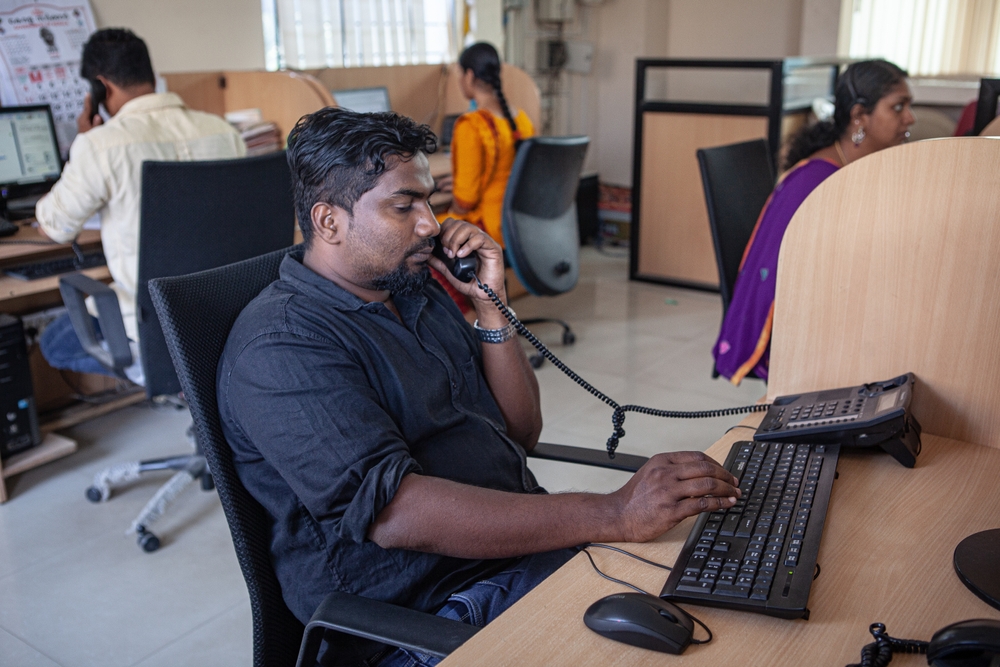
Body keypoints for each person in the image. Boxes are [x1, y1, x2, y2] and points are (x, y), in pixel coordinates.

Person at [217, 107, 741, 667]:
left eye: (429, 201)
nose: (430, 224)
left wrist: (492, 309)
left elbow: (520, 430)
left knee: (732, 610)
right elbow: (398, 515)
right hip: (425, 618)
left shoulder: (413, 288)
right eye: (404, 206)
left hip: (518, 557)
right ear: (328, 222)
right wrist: (613, 513)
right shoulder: (281, 347)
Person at [37, 28, 246, 379]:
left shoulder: (100, 146)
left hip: (152, 320)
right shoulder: (223, 131)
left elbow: (53, 228)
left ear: (100, 87)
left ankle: (167, 374)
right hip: (222, 309)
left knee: (54, 345)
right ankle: (192, 379)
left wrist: (84, 142)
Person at [713, 60, 914, 385]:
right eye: (898, 107)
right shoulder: (816, 181)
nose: (910, 117)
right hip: (803, 327)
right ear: (859, 116)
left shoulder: (857, 165)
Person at [438, 42, 534, 247]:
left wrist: (456, 196)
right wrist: (460, 182)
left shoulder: (471, 126)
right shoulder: (522, 119)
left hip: (488, 229)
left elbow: (465, 203)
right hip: (519, 225)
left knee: (420, 230)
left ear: (469, 76)